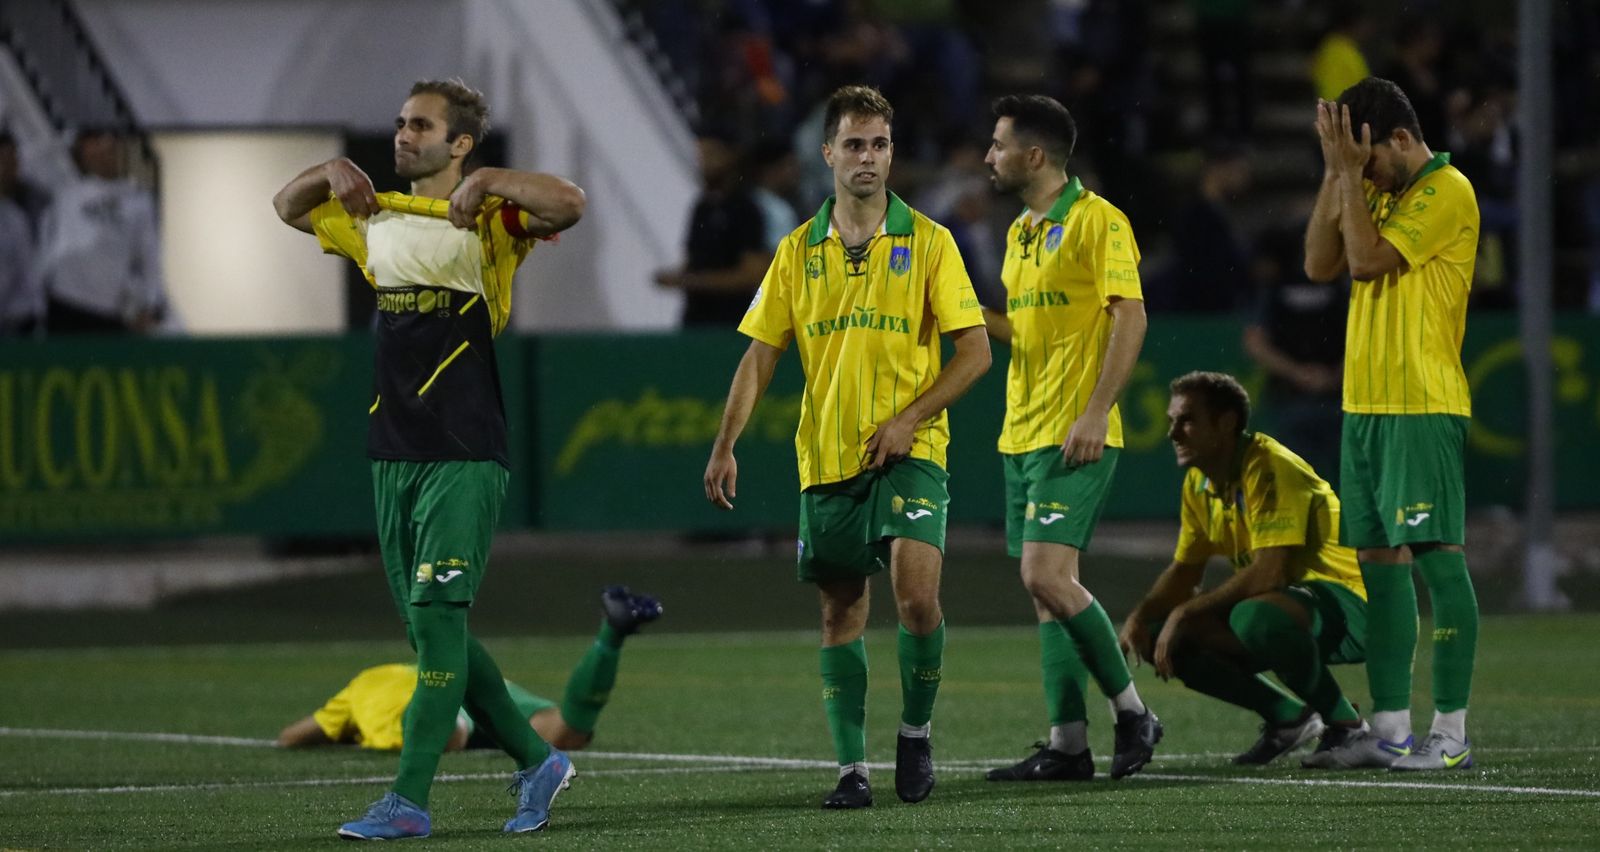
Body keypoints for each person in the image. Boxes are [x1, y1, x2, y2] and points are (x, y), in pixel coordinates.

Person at [272, 78, 587, 838]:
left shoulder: (494, 221)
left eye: (421, 125)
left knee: (440, 617)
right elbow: (286, 207)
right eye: (400, 122)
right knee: (430, 630)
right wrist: (329, 170)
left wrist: (486, 184)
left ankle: (408, 800)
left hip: (465, 446)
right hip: (393, 449)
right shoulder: (369, 218)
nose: (404, 134)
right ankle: (536, 761)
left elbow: (568, 201)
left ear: (460, 143)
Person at [703, 84, 991, 810]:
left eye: (880, 144)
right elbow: (761, 355)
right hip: (827, 459)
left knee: (918, 598)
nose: (868, 157)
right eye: (855, 144)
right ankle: (851, 770)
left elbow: (976, 351)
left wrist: (910, 418)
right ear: (827, 152)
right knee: (841, 612)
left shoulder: (930, 241)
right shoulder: (797, 252)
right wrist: (726, 443)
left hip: (913, 449)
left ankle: (916, 732)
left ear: (892, 154)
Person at [977, 94, 1160, 784]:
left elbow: (1130, 317)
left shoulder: (1098, 221)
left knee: (1044, 575)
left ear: (1034, 155)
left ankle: (1134, 713)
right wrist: (965, 316)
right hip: (1020, 434)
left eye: (997, 145)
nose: (988, 156)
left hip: (1073, 434)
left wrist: (1095, 411)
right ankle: (1068, 744)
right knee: (1047, 592)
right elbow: (1028, 332)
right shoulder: (1022, 231)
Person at [1303, 77, 1480, 770]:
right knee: (1379, 566)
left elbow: (1369, 261)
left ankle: (1452, 733)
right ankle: (1389, 729)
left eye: (1370, 161)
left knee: (1438, 559)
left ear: (1400, 139)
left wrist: (1351, 179)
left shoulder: (1446, 189)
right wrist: (1336, 171)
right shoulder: (1370, 187)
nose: (1365, 174)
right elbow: (1320, 264)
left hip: (1421, 402)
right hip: (1366, 406)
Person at [1118, 371, 1371, 767]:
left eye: (1186, 420)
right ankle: (1289, 718)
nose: (1173, 434)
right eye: (1171, 421)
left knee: (1254, 615)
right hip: (1288, 612)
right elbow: (1186, 572)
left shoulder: (1270, 467)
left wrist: (1185, 610)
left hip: (1350, 608)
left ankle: (1348, 725)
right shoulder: (1198, 484)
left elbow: (1271, 574)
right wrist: (1141, 616)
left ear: (1226, 423)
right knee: (1157, 635)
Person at [278, 586, 662, 754]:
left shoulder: (359, 689)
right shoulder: (397, 670)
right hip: (477, 674)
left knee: (443, 731)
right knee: (567, 732)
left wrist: (347, 734)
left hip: (431, 695)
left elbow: (293, 736)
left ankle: (454, 723)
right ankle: (609, 638)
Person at [35, 128, 166, 333]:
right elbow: (35, 155)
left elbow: (150, 254)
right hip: (63, 301)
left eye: (108, 148)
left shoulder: (138, 201)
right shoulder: (66, 191)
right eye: (92, 147)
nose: (102, 153)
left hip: (107, 306)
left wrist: (153, 302)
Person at [1242, 224, 1345, 482]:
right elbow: (1363, 336)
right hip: (1334, 398)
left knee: (1294, 482)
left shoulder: (1274, 290)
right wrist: (1333, 374)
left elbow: (1255, 343)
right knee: (1345, 484)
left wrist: (1299, 375)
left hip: (1294, 400)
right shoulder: (1339, 284)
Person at [654, 133, 771, 326]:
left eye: (711, 154)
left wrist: (691, 281)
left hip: (730, 323)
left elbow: (752, 275)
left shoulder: (746, 209)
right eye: (701, 155)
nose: (703, 163)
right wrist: (676, 277)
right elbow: (694, 261)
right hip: (695, 321)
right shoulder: (701, 207)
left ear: (731, 156)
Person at [0, 131, 42, 336]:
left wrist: (39, 312)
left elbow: (29, 271)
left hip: (16, 322)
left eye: (13, 159)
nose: (10, 168)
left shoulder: (17, 216)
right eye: (4, 161)